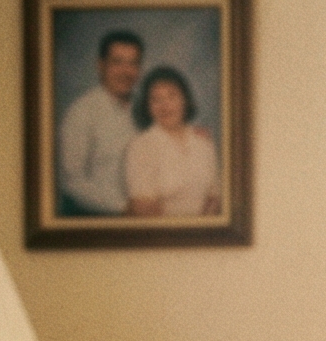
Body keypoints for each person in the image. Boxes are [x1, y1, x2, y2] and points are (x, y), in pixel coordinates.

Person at [58, 29, 143, 215]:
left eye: (133, 63)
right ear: (100, 65)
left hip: (145, 222)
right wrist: (123, 207)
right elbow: (72, 181)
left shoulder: (147, 108)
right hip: (98, 223)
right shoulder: (81, 113)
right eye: (117, 62)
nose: (126, 71)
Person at [125, 66, 222, 217]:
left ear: (185, 99)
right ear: (147, 106)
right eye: (156, 99)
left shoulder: (203, 141)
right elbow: (143, 207)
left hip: (204, 232)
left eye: (172, 96)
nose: (165, 106)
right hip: (164, 235)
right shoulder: (140, 146)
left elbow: (215, 196)